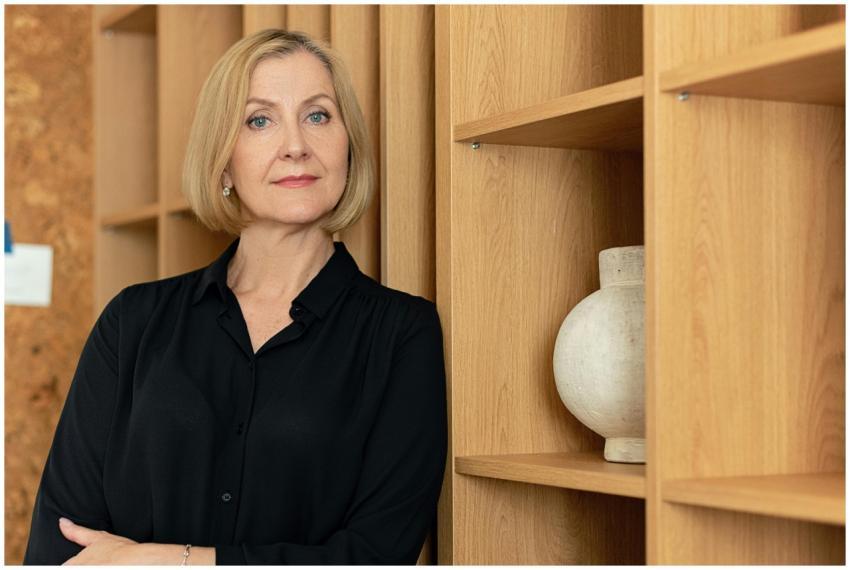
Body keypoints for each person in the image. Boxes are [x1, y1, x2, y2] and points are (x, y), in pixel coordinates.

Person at [23, 28, 447, 565]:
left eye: (318, 115)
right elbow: (61, 544)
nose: (296, 144)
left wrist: (170, 560)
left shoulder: (402, 334)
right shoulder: (133, 321)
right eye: (260, 120)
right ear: (223, 159)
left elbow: (377, 554)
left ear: (348, 146)